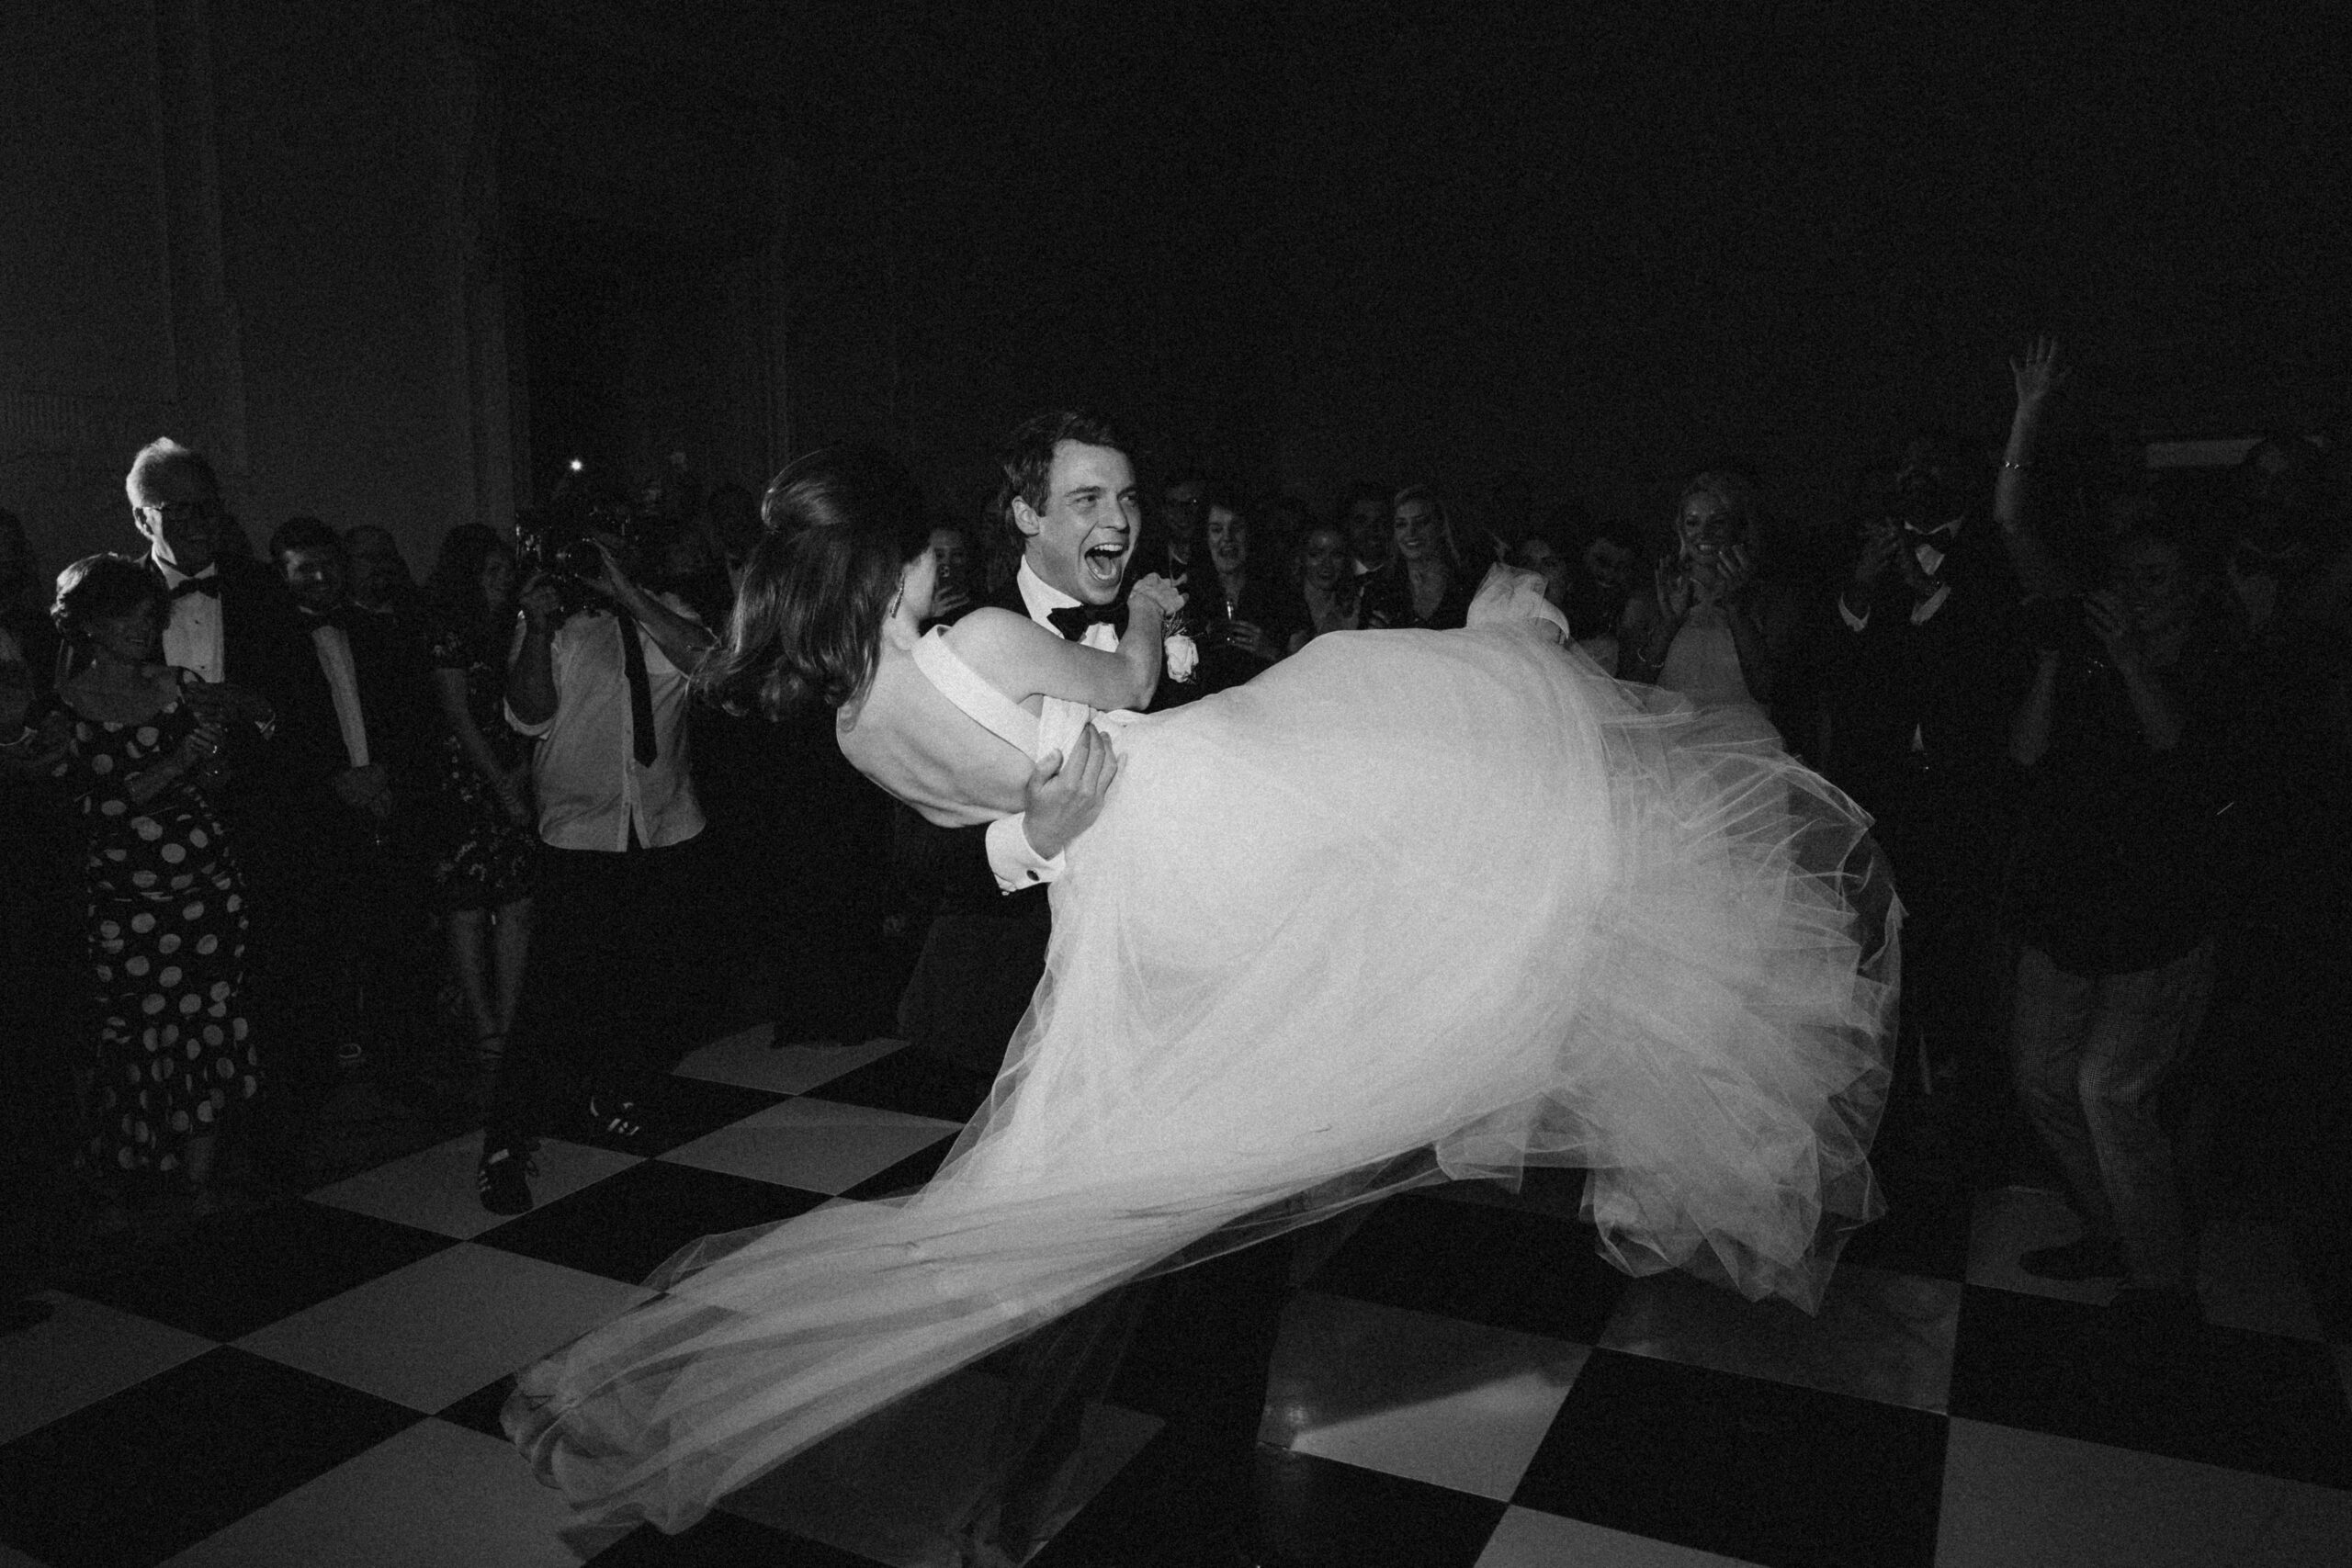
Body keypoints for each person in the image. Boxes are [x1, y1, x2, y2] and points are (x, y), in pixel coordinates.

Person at [506, 442, 1898, 1545]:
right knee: (1399, 721)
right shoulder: (980, 639)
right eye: (937, 538)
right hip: (1195, 842)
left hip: (1138, 898)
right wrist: (1151, 628)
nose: (949, 556)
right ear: (904, 548)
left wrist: (1044, 816)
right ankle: (1516, 713)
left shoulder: (862, 721)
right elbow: (1111, 682)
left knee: (1080, 1204)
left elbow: (983, 804)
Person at [2005, 522, 2230, 1321]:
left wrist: (2134, 661)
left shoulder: (2215, 653)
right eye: (2128, 575)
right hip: (2066, 903)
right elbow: (2027, 754)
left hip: (2158, 914)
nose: (2139, 590)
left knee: (2109, 1089)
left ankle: (2164, 1284)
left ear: (2194, 584)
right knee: (2041, 1081)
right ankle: (2115, 1233)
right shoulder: (2087, 651)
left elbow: (2183, 752)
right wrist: (2053, 657)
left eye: (2159, 575)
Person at [476, 503, 718, 1213]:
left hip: (666, 825)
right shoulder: (549, 622)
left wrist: (630, 597)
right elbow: (528, 714)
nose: (598, 563)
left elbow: (711, 666)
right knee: (553, 996)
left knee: (646, 981)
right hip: (579, 835)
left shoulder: (666, 611)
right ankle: (505, 1143)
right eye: (588, 552)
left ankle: (614, 1094)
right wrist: (539, 627)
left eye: (611, 551)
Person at [40, 556, 264, 1213]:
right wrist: (174, 763)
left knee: (208, 1022)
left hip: (204, 881)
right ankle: (138, 1174)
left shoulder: (180, 684)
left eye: (147, 612)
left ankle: (197, 1179)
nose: (140, 625)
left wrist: (215, 759)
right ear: (85, 623)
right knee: (137, 1031)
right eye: (122, 613)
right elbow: (89, 807)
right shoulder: (63, 710)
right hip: (123, 893)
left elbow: (216, 785)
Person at [423, 525, 537, 1076]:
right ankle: (484, 1023)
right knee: (467, 907)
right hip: (464, 781)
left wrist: (521, 771)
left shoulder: (514, 629)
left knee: (517, 902)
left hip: (511, 771)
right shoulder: (449, 632)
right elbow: (458, 716)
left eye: (506, 569)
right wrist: (501, 784)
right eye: (491, 571)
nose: (504, 580)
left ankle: (511, 1021)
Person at [1616, 469, 1801, 745]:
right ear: (1681, 529)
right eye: (1693, 522)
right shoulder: (1652, 598)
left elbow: (1769, 690)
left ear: (1738, 528)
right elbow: (1627, 695)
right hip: (1666, 748)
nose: (1704, 533)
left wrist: (1737, 612)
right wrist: (1668, 626)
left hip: (1742, 750)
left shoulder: (1771, 599)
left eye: (1717, 522)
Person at [1180, 494, 1300, 694]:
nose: (1227, 538)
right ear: (1205, 537)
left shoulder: (1281, 595)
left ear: (1250, 533)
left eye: (1236, 528)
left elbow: (1305, 675)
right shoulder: (1186, 599)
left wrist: (1270, 653)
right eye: (1217, 530)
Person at [1361, 484, 1479, 629]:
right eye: (1401, 524)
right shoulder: (1379, 589)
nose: (1411, 532)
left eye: (1421, 522)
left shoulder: (1470, 584)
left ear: (1441, 526)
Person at [1289, 519, 1363, 649]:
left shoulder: (1356, 607)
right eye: (1316, 555)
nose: (1326, 565)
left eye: (1336, 555)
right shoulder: (1280, 604)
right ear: (1302, 557)